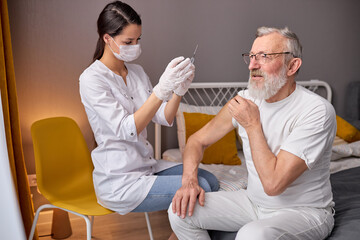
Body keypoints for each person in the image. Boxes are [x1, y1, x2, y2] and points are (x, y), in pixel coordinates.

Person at [168, 26, 336, 240]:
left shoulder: (316, 111)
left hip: (303, 212)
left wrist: (252, 124)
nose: (252, 65)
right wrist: (189, 181)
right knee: (179, 211)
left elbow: (273, 185)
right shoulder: (245, 99)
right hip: (253, 203)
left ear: (292, 65)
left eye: (264, 57)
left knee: (252, 234)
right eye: (251, 56)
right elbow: (196, 141)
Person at [79, 1, 219, 216]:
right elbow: (128, 129)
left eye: (138, 39)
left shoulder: (136, 72)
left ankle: (177, 235)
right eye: (128, 41)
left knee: (210, 180)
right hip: (120, 180)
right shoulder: (92, 79)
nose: (135, 46)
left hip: (147, 166)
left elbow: (165, 117)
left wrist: (179, 90)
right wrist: (161, 89)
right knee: (204, 189)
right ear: (107, 38)